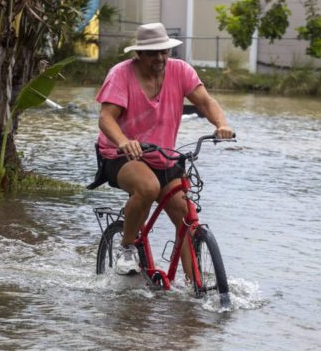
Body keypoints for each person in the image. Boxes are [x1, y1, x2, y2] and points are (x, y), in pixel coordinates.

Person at [89, 22, 234, 277]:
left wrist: (221, 124)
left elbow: (205, 101)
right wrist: (123, 140)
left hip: (164, 157)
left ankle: (195, 289)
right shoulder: (120, 74)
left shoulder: (180, 71)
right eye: (153, 53)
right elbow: (106, 118)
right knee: (148, 187)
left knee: (186, 221)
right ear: (139, 54)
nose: (159, 58)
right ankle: (127, 247)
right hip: (121, 155)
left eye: (163, 52)